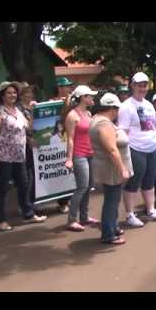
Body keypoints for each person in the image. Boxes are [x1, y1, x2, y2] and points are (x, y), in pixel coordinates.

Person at [0, 82, 47, 231]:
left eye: (14, 93)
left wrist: (33, 112)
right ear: (2, 96)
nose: (13, 95)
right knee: (2, 188)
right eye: (9, 93)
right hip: (4, 157)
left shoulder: (18, 112)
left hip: (20, 156)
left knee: (24, 185)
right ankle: (1, 220)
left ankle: (28, 214)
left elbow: (28, 128)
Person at [118, 72, 156, 227]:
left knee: (150, 180)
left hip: (151, 148)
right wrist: (124, 155)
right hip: (135, 148)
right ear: (132, 86)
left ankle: (151, 210)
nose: (142, 88)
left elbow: (154, 127)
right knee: (134, 182)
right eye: (139, 85)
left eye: (145, 85)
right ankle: (130, 214)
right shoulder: (126, 107)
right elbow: (123, 132)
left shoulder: (148, 105)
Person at [90, 93, 133, 245]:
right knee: (111, 201)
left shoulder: (97, 120)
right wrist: (122, 169)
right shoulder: (104, 124)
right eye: (117, 109)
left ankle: (113, 227)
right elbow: (112, 150)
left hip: (107, 167)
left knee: (112, 199)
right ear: (112, 108)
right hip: (111, 169)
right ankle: (108, 234)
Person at [64, 85, 99, 232]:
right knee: (82, 186)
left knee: (88, 186)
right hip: (79, 155)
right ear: (83, 97)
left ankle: (84, 217)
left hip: (90, 154)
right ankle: (72, 220)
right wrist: (69, 158)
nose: (92, 98)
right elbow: (70, 138)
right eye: (90, 96)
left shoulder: (88, 114)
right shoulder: (73, 115)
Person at [50, 78, 75, 213]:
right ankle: (62, 201)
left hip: (69, 138)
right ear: (60, 88)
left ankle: (69, 197)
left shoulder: (73, 102)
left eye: (69, 87)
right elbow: (60, 117)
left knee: (70, 171)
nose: (69, 89)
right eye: (66, 87)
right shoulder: (52, 102)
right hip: (57, 139)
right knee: (60, 170)